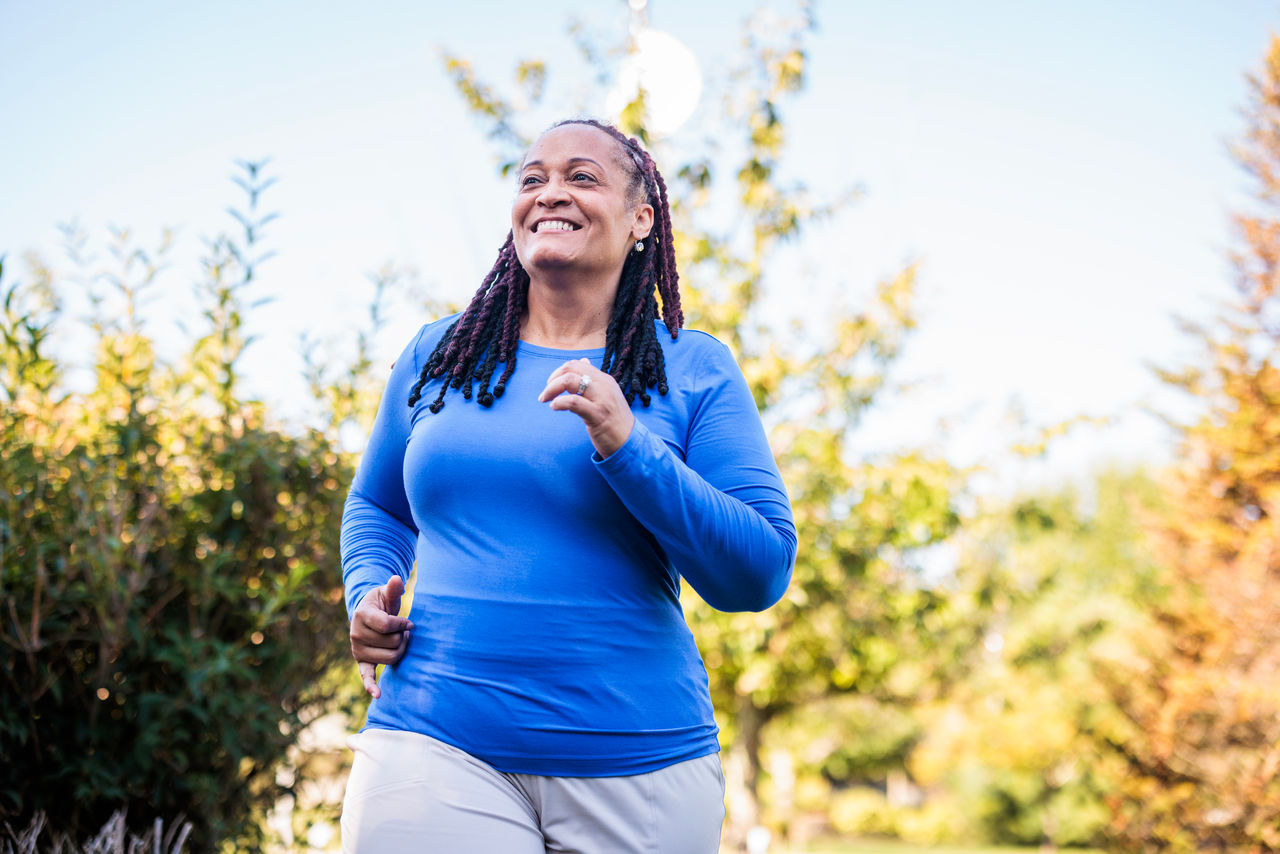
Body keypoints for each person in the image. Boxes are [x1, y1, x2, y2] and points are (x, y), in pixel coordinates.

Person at [339, 118, 796, 853]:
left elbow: (758, 573)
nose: (551, 193)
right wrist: (368, 591)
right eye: (533, 179)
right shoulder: (439, 355)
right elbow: (378, 505)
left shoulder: (694, 368)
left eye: (582, 177)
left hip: (640, 768)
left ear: (642, 218)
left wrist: (630, 446)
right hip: (431, 742)